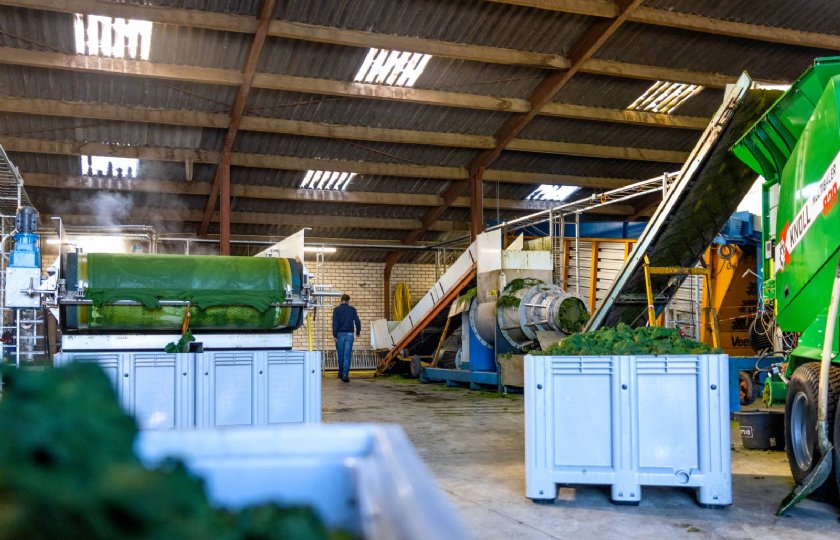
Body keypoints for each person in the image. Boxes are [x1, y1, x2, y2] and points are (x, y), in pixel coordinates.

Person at [332, 293, 361, 382]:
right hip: (349, 334)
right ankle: (345, 374)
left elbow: (335, 323)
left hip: (339, 335)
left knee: (340, 355)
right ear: (348, 301)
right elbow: (357, 321)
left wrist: (335, 335)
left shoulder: (336, 310)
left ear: (341, 300)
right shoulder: (352, 309)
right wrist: (358, 331)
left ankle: (341, 373)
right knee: (347, 355)